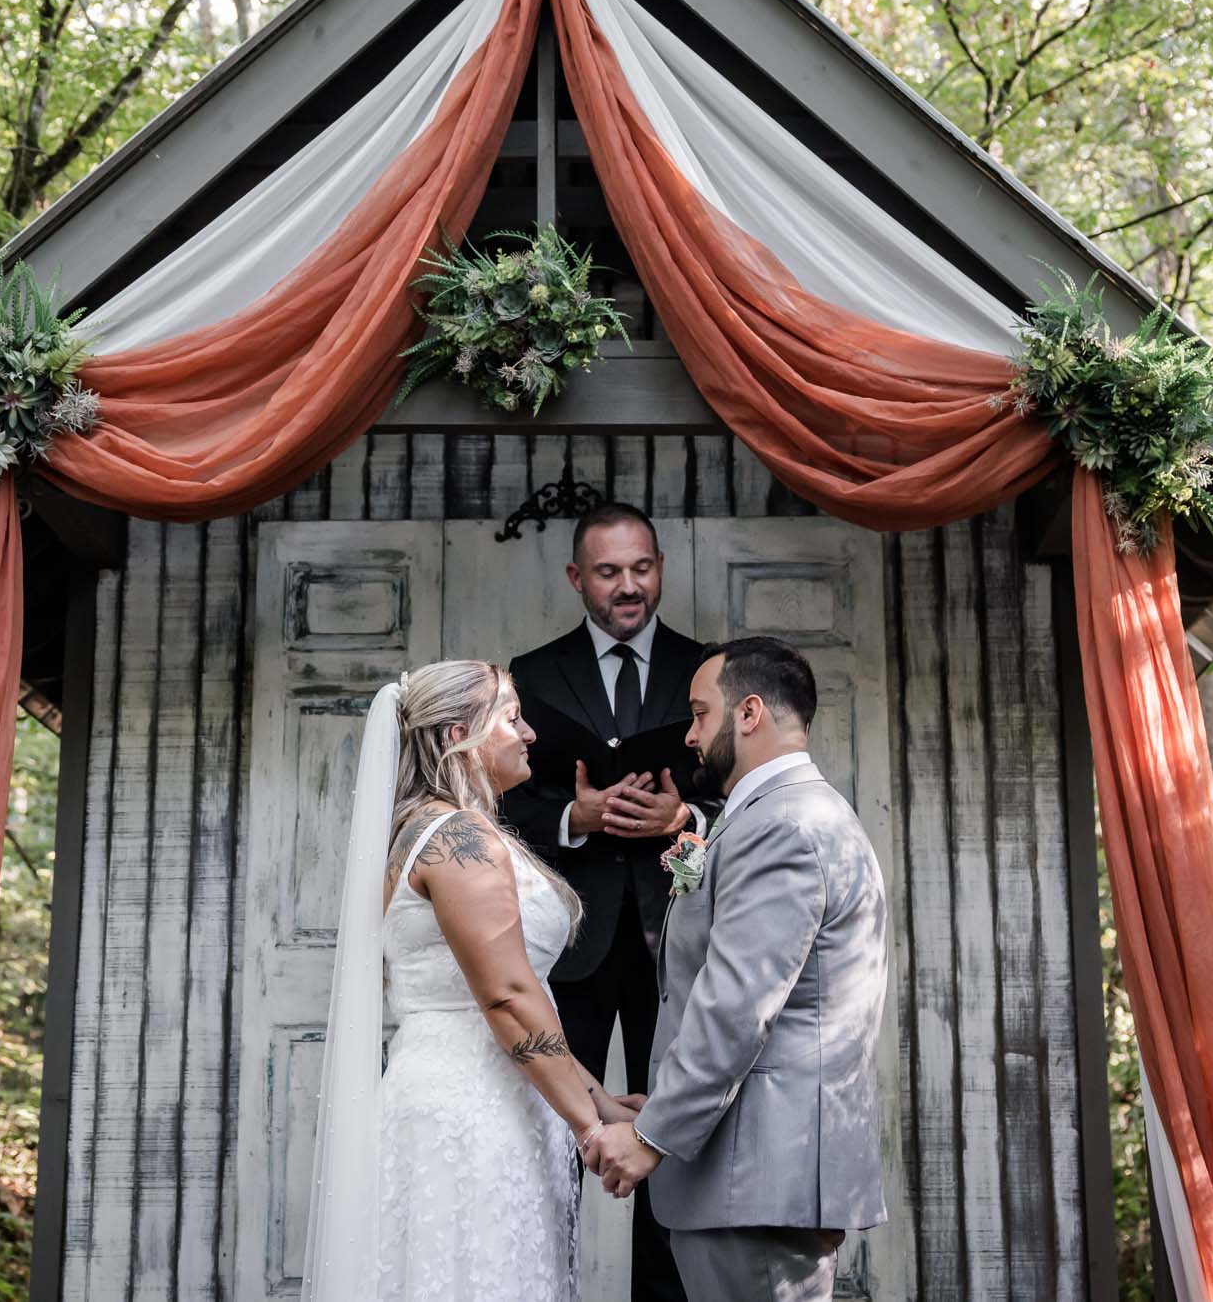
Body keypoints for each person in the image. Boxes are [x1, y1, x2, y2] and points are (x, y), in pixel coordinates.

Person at [303, 659, 645, 1302]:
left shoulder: (425, 831)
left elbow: (508, 995)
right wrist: (590, 1129)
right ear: (461, 732)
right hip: (470, 1108)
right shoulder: (457, 837)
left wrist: (599, 1097)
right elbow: (506, 996)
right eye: (512, 718)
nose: (530, 734)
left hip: (479, 1089)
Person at [585, 637, 891, 1302]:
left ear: (747, 712)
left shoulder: (784, 824)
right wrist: (661, 1103)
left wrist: (652, 1135)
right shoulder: (769, 816)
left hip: (756, 1180)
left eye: (700, 713)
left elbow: (737, 1007)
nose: (690, 735)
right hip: (744, 1175)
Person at [503, 502, 711, 1302]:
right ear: (576, 577)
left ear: (660, 564)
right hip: (575, 946)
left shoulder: (706, 669)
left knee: (674, 1134)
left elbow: (741, 790)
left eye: (642, 568)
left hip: (679, 939)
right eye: (609, 572)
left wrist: (683, 817)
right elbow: (502, 807)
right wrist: (574, 816)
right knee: (558, 1136)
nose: (629, 586)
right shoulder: (533, 671)